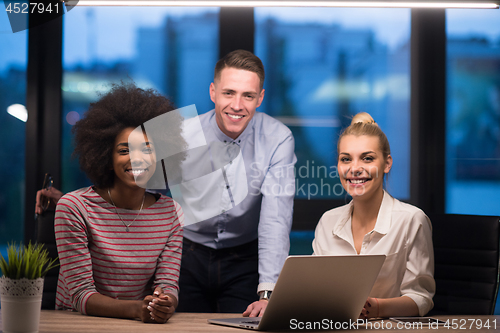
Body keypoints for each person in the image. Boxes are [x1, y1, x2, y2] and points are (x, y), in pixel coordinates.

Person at [36, 50, 297, 317]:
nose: (237, 105)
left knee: (245, 324)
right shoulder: (183, 132)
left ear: (260, 98)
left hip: (243, 258)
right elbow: (139, 181)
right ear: (213, 92)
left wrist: (268, 293)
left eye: (248, 95)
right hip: (187, 253)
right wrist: (72, 202)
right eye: (229, 93)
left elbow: (275, 219)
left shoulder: (278, 138)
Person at [53, 83, 186, 323]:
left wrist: (164, 303)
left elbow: (167, 285)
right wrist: (138, 309)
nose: (137, 159)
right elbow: (81, 296)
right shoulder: (74, 208)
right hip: (75, 324)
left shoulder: (171, 213)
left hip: (138, 326)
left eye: (147, 149)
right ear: (106, 156)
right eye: (124, 150)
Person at [312, 112, 435, 318]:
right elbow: (314, 291)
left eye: (367, 158)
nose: (355, 168)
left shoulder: (412, 220)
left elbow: (420, 298)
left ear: (387, 164)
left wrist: (376, 307)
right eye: (346, 159)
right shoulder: (328, 221)